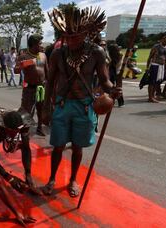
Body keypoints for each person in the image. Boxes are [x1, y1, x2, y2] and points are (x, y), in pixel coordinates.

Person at [41, 6, 121, 197]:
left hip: (84, 107)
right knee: (58, 146)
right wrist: (46, 108)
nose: (71, 40)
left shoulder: (97, 53)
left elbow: (104, 80)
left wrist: (112, 90)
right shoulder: (58, 54)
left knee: (77, 147)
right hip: (61, 105)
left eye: (75, 36)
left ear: (86, 34)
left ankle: (73, 180)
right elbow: (50, 82)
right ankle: (52, 179)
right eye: (67, 36)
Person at [0, 108, 42, 195]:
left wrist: (28, 175)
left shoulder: (24, 122)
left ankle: (28, 178)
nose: (16, 134)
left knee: (23, 143)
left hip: (5, 128)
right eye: (13, 132)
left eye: (18, 131)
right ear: (6, 128)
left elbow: (26, 148)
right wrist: (9, 178)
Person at [15, 34, 48, 136]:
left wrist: (49, 83)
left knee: (40, 108)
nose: (41, 46)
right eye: (39, 44)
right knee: (26, 111)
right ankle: (24, 131)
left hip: (41, 87)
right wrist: (26, 63)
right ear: (33, 45)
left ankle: (39, 127)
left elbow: (47, 70)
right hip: (29, 88)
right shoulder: (24, 56)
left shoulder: (43, 55)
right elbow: (16, 70)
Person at [146, 34, 166, 102]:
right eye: (164, 38)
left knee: (157, 82)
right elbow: (150, 57)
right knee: (152, 81)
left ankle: (153, 95)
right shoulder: (156, 46)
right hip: (155, 65)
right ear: (161, 39)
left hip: (162, 66)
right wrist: (147, 67)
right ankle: (150, 97)